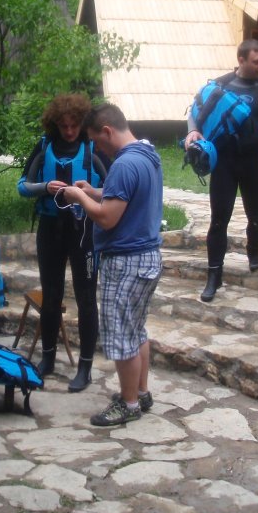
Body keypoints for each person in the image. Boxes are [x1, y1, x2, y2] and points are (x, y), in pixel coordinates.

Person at [62, 103, 163, 427]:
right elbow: (123, 195)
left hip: (126, 262)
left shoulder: (123, 164)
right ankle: (142, 392)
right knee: (136, 331)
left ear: (107, 131)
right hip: (148, 258)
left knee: (120, 336)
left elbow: (107, 218)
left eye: (97, 142)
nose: (99, 150)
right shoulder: (147, 154)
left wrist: (79, 198)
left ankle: (129, 403)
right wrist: (94, 191)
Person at [185, 39, 258, 303]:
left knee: (256, 216)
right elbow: (194, 111)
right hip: (225, 162)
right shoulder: (219, 86)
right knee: (218, 220)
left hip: (254, 161)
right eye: (257, 61)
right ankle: (214, 276)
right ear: (241, 60)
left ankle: (253, 251)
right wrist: (193, 130)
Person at [17, 94, 107, 391]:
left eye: (74, 125)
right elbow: (22, 186)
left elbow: (112, 189)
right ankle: (48, 359)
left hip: (84, 232)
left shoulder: (93, 148)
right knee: (52, 295)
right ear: (55, 124)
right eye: (63, 126)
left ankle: (85, 367)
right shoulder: (44, 147)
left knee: (85, 298)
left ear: (82, 123)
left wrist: (88, 191)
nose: (69, 131)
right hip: (50, 229)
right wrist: (45, 186)